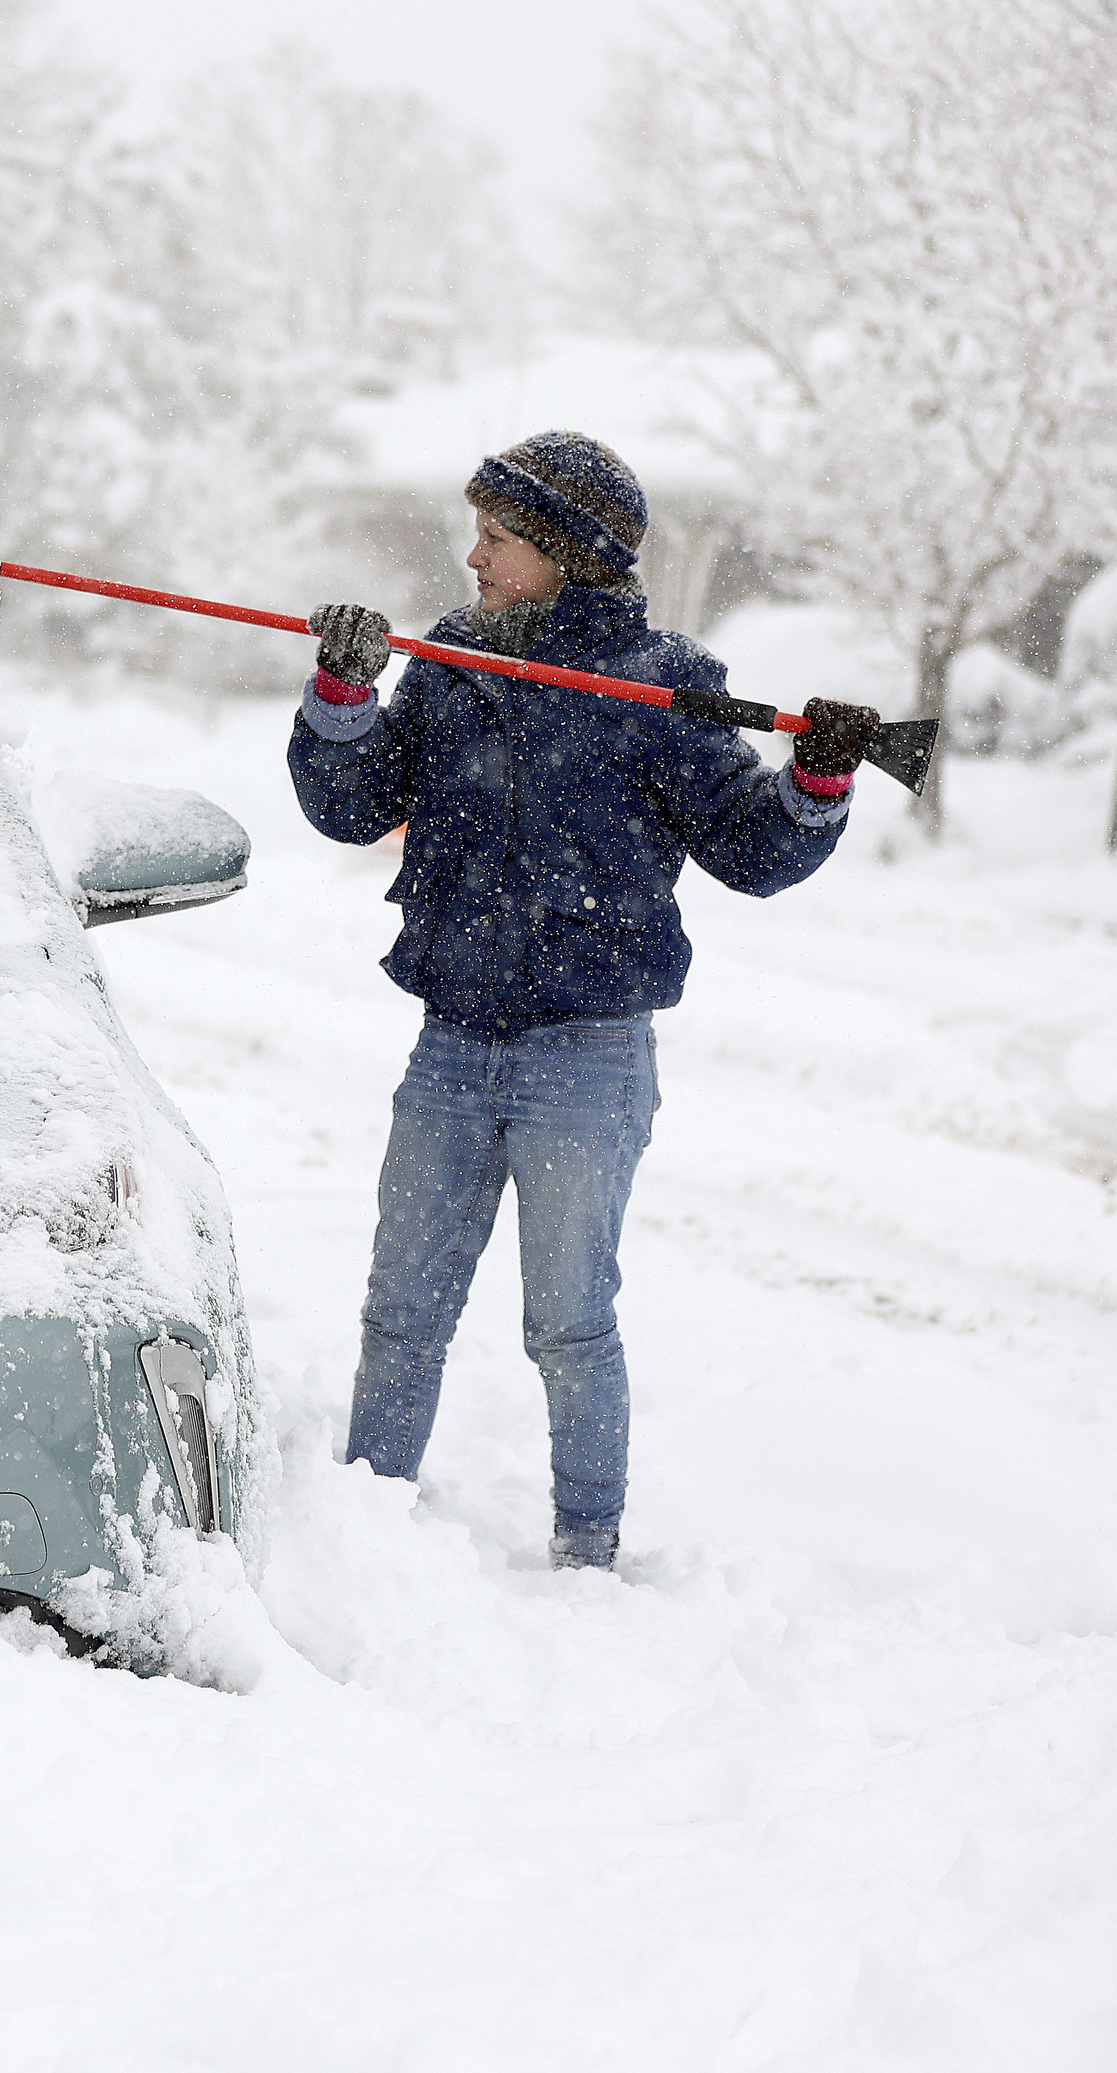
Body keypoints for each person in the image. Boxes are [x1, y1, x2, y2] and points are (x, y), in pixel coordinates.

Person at [288, 430, 876, 1572]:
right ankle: (363, 1540)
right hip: (452, 1044)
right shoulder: (454, 658)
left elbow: (750, 848)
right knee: (400, 1312)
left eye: (499, 539)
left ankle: (589, 1549)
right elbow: (355, 806)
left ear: (565, 552)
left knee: (568, 1325)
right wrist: (344, 696)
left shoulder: (662, 686)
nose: (474, 556)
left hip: (587, 1057)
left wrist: (816, 783)